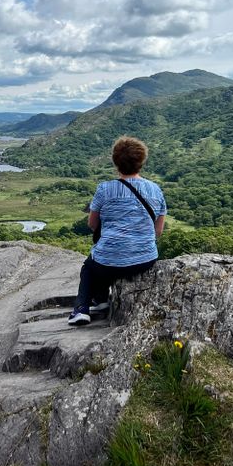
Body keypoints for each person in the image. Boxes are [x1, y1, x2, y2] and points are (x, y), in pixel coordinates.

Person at [68, 136, 166, 326]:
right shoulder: (156, 190)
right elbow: (158, 231)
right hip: (145, 260)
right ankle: (102, 300)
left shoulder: (105, 189)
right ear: (141, 161)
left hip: (108, 262)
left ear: (115, 162)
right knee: (107, 258)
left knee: (90, 266)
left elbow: (92, 224)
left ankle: (83, 308)